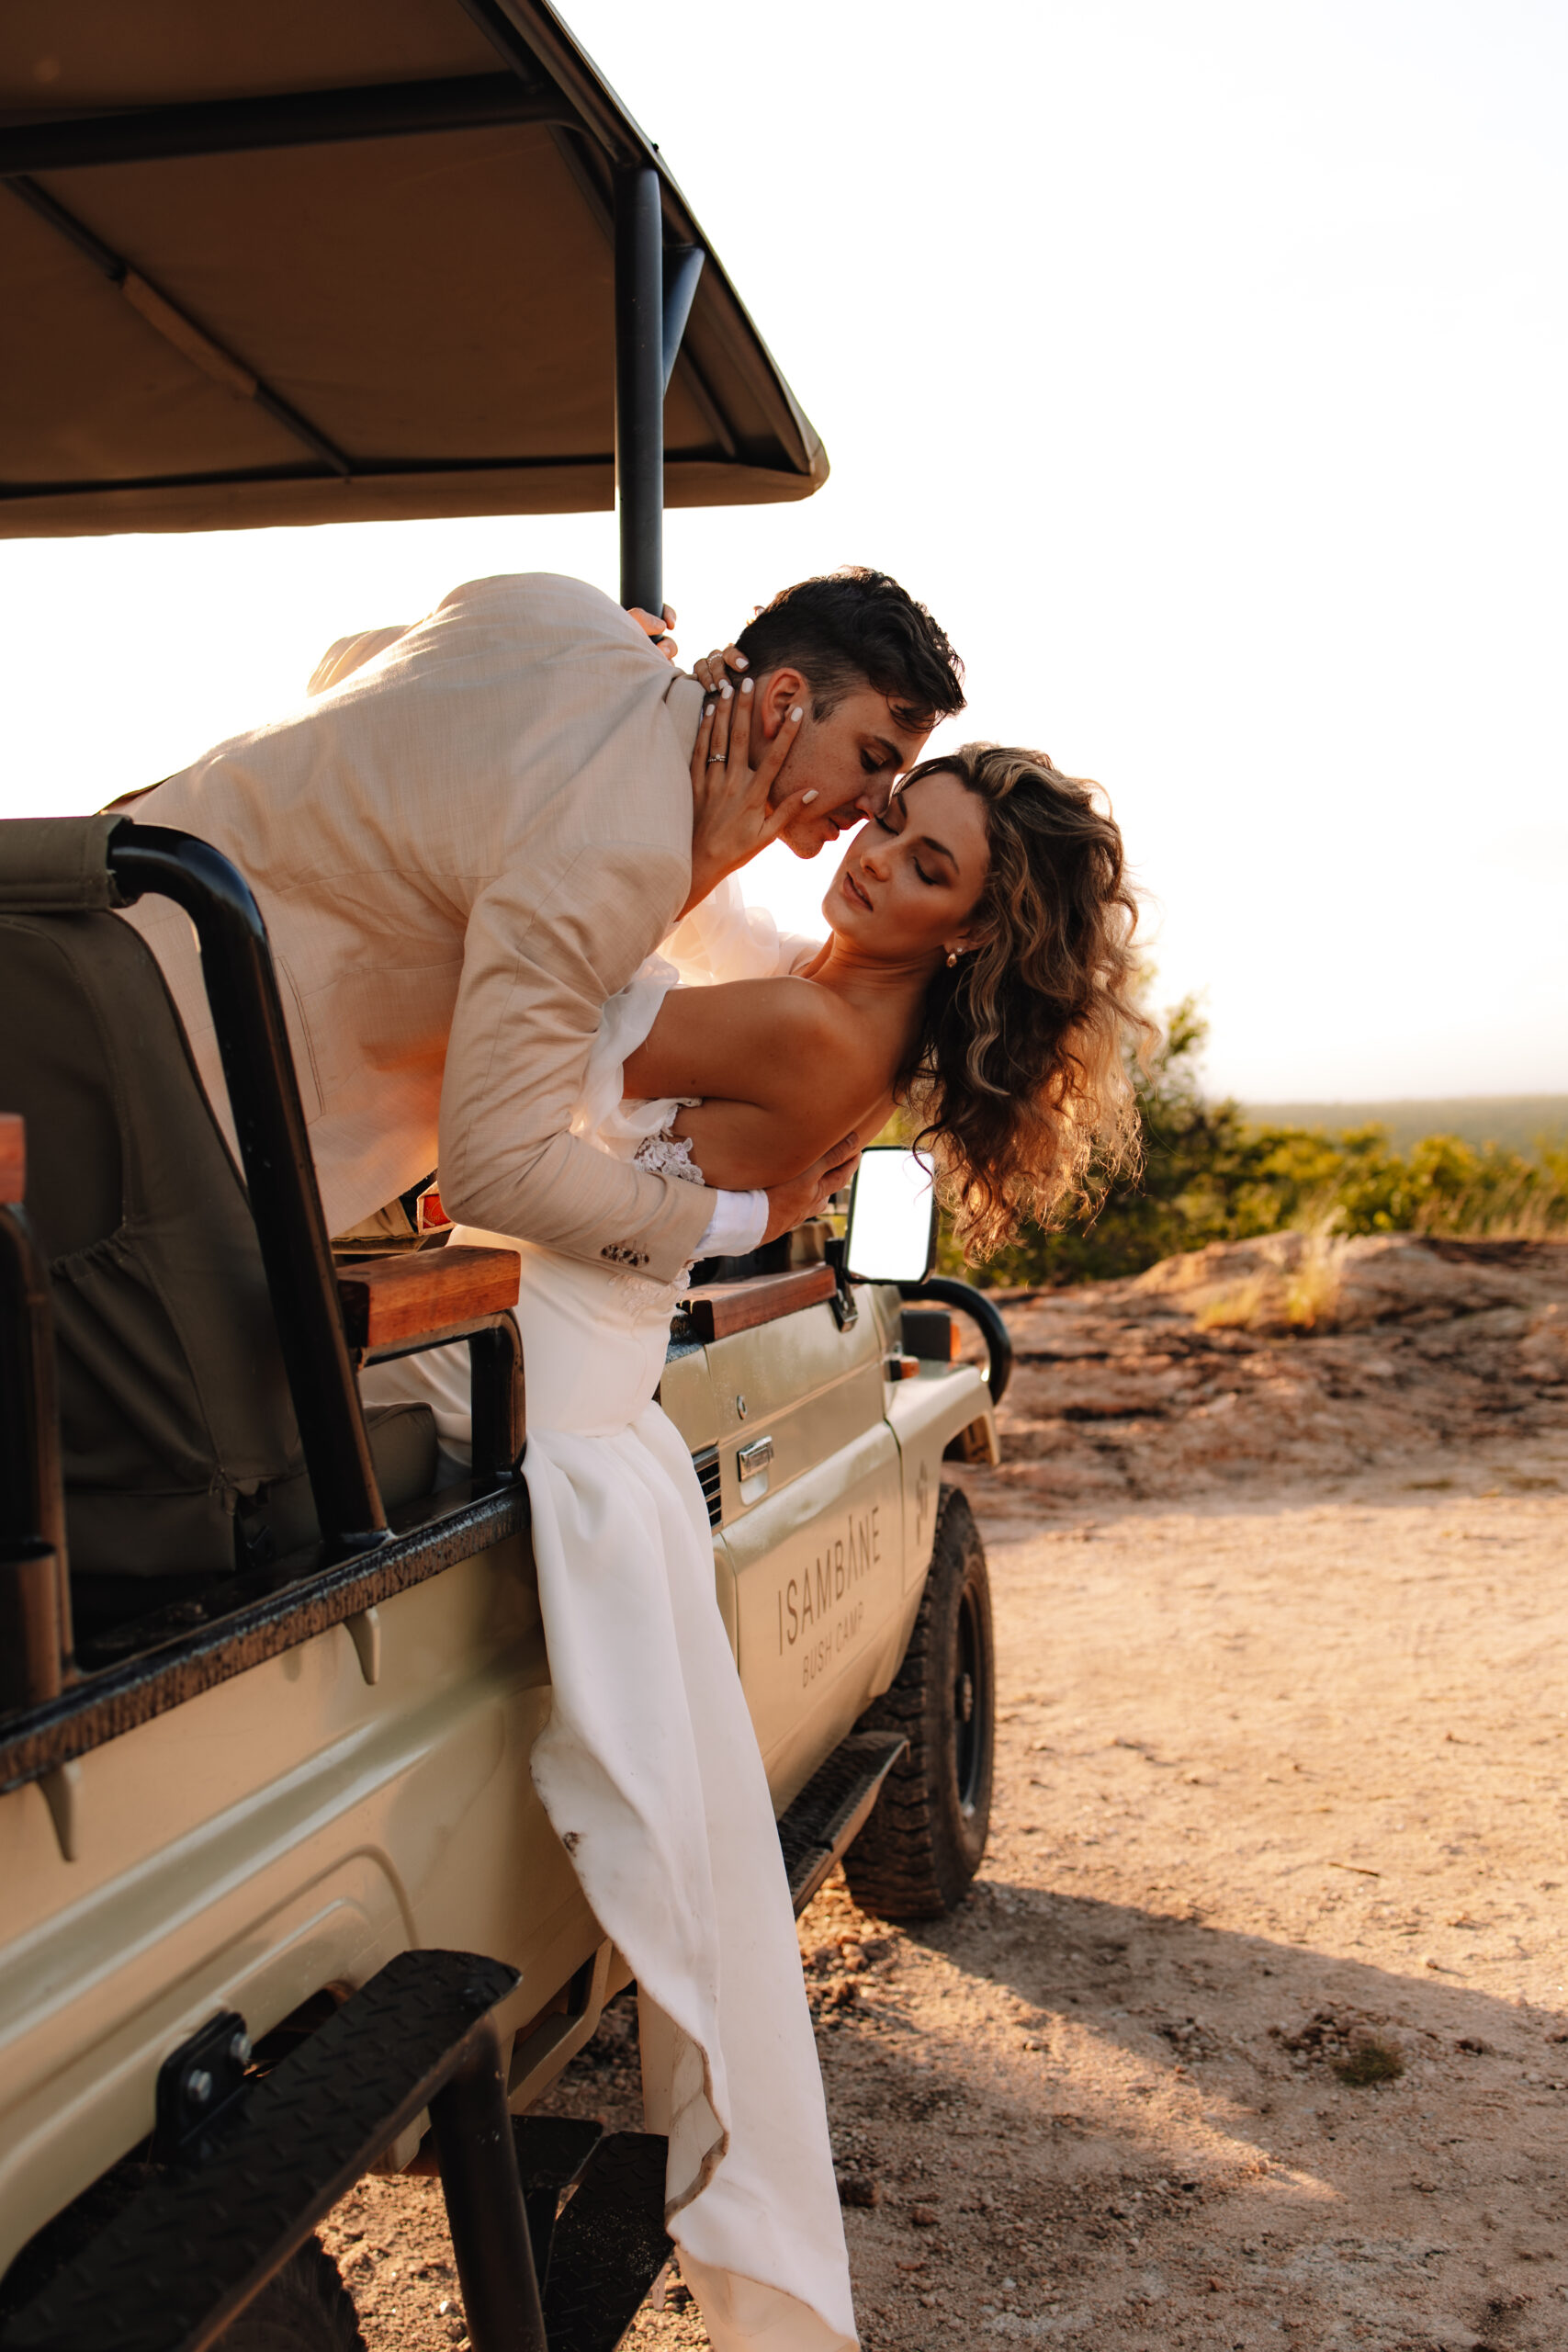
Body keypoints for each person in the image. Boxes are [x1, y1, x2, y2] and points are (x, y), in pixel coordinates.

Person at [365, 731, 1148, 2352]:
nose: (869, 861)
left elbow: (550, 997)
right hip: (568, 1320)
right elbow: (683, 968)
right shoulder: (845, 996)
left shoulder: (809, 1018)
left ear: (970, 934)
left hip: (541, 1350)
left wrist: (603, 806)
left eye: (923, 867)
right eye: (885, 824)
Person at [117, 568, 968, 1277]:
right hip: (173, 1113)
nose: (873, 806)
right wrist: (752, 1220)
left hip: (80, 912)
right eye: (871, 760)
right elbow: (496, 1169)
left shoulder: (554, 604)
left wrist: (598, 645)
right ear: (783, 700)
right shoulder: (632, 853)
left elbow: (343, 671)